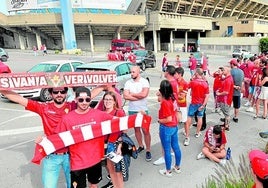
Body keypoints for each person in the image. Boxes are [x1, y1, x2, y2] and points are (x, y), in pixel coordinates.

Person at [0, 87, 72, 188]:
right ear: (51, 93)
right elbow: (20, 99)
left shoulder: (73, 106)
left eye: (62, 91)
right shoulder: (44, 107)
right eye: (56, 92)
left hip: (71, 155)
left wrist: (102, 86)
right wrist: (1, 89)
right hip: (51, 156)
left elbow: (89, 96)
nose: (59, 94)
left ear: (66, 93)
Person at [56, 87, 114, 188]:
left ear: (90, 100)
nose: (84, 102)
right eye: (81, 100)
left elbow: (118, 121)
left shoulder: (98, 114)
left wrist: (139, 117)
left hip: (95, 160)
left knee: (94, 185)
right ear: (75, 100)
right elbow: (57, 138)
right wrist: (43, 140)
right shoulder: (66, 119)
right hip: (77, 163)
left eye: (87, 99)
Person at [123, 65, 152, 161]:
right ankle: (141, 145)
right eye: (131, 72)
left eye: (133, 72)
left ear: (138, 72)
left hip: (143, 109)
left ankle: (148, 150)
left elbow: (144, 94)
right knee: (136, 130)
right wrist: (138, 96)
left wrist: (132, 94)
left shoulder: (144, 82)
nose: (131, 74)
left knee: (146, 131)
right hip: (132, 109)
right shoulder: (128, 82)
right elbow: (125, 96)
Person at [157, 80, 182, 177]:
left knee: (167, 150)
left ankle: (168, 170)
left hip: (166, 127)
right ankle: (177, 167)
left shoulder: (165, 103)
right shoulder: (173, 97)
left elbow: (168, 119)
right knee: (176, 147)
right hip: (174, 126)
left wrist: (160, 120)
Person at [101, 91, 125, 188]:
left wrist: (119, 147)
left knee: (118, 172)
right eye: (105, 99)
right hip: (104, 145)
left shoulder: (119, 112)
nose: (107, 101)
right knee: (111, 171)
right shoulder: (101, 114)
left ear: (114, 101)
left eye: (110, 99)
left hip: (115, 145)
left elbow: (123, 131)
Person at [184, 68, 209, 146]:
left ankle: (187, 136)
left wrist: (192, 79)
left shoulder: (193, 82)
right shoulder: (205, 83)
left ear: (197, 74)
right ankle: (197, 133)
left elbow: (186, 88)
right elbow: (207, 96)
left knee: (189, 118)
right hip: (201, 103)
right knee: (200, 117)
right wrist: (203, 105)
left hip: (194, 102)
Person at [217, 66, 234, 131]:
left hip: (225, 100)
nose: (222, 71)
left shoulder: (228, 80)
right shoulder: (228, 78)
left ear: (227, 71)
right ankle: (226, 124)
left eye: (223, 70)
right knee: (226, 113)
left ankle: (226, 126)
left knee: (227, 114)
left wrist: (219, 93)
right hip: (226, 99)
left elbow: (226, 92)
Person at [230, 59, 244, 123]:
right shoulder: (241, 71)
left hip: (231, 91)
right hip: (238, 91)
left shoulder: (231, 71)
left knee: (228, 105)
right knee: (237, 105)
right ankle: (236, 117)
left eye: (230, 64)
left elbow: (229, 82)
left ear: (232, 64)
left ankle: (227, 117)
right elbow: (243, 82)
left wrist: (235, 86)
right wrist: (241, 88)